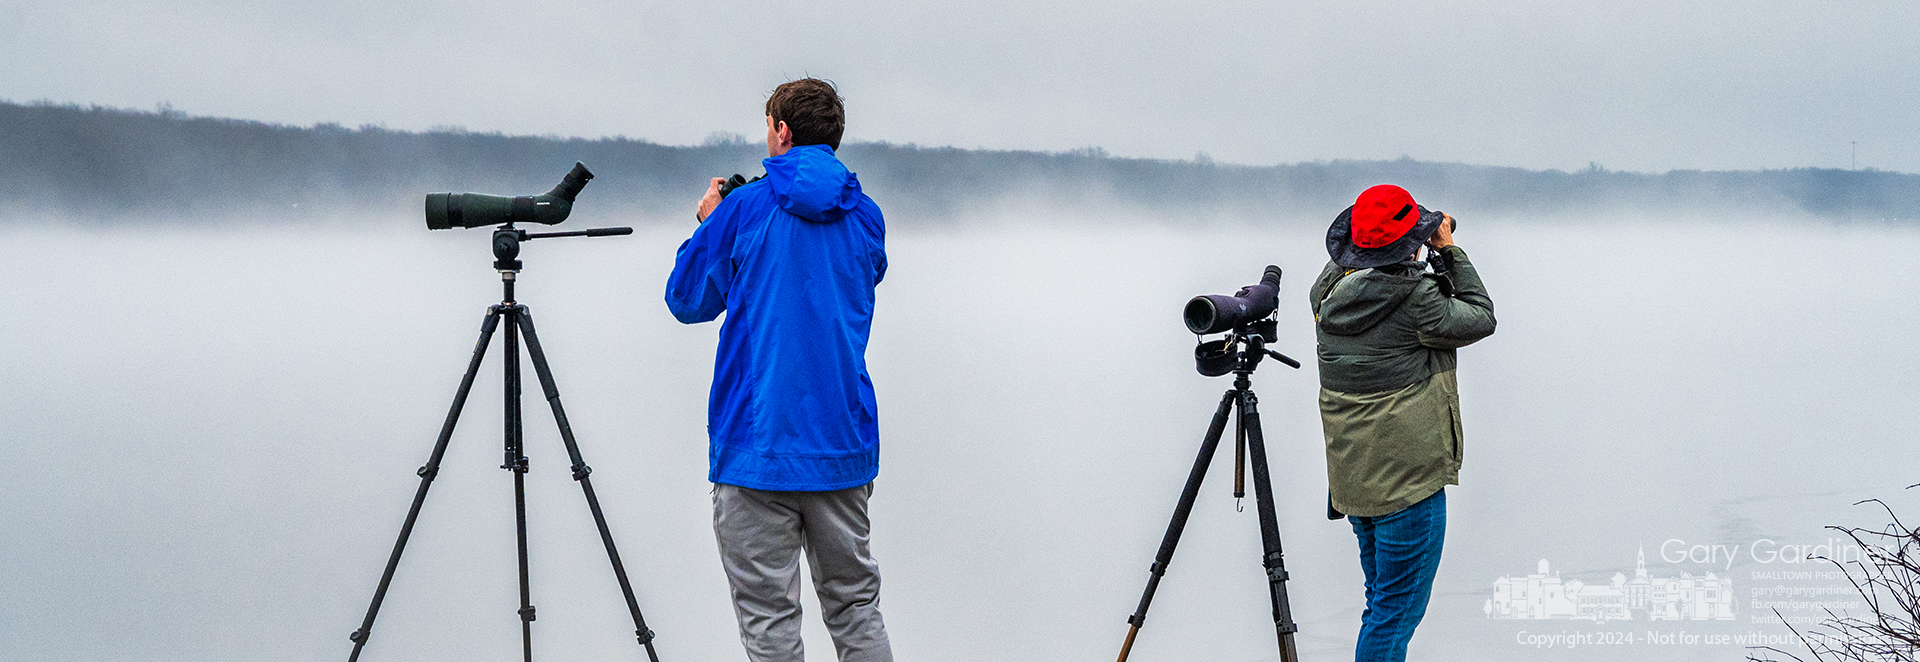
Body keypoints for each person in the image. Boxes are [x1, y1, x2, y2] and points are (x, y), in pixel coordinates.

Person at [664, 78, 893, 662]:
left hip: (756, 446)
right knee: (856, 608)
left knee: (770, 623)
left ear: (782, 131)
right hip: (840, 443)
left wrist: (710, 223)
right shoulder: (866, 217)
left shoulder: (743, 209)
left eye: (768, 125)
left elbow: (687, 299)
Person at [1308, 184, 1495, 661]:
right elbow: (1479, 317)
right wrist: (1447, 250)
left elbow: (1359, 262)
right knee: (1394, 616)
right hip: (1407, 486)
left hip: (1356, 483)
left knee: (1381, 604)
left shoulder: (1327, 296)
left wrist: (1400, 243)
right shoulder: (1416, 302)